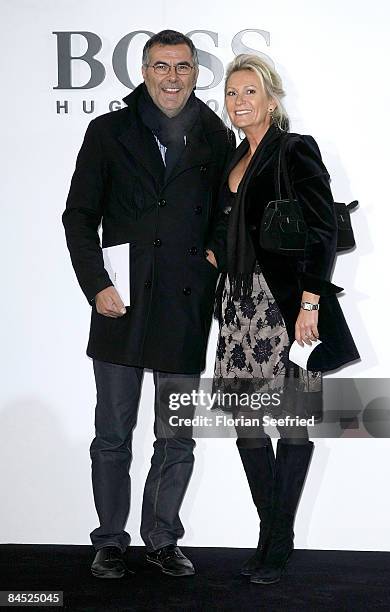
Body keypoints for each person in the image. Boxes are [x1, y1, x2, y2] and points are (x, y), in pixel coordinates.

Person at [62, 30, 235, 579]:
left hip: (183, 308)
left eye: (182, 67)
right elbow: (79, 216)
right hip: (119, 305)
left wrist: (212, 255)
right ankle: (110, 540)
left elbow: (225, 216)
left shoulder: (214, 135)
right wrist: (97, 286)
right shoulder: (108, 131)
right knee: (113, 433)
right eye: (161, 66)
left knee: (176, 433)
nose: (172, 77)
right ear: (143, 71)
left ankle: (161, 538)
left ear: (195, 72)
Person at [206, 54, 359, 585]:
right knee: (247, 424)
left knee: (291, 422)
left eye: (250, 91)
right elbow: (229, 227)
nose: (240, 101)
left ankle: (277, 540)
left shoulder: (294, 149)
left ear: (272, 99)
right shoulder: (230, 158)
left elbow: (321, 230)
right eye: (231, 93)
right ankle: (273, 532)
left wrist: (310, 302)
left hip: (284, 305)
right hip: (238, 306)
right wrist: (216, 253)